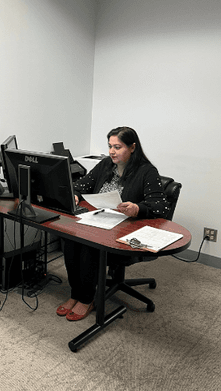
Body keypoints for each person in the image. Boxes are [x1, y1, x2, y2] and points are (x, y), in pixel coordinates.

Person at [57, 127, 170, 321]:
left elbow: (159, 206)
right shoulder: (105, 165)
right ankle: (75, 294)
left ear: (132, 147)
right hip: (99, 218)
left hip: (125, 228)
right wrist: (75, 194)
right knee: (71, 239)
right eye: (110, 146)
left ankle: (86, 299)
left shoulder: (147, 171)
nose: (112, 151)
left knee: (89, 246)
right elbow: (81, 184)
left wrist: (137, 208)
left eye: (117, 147)